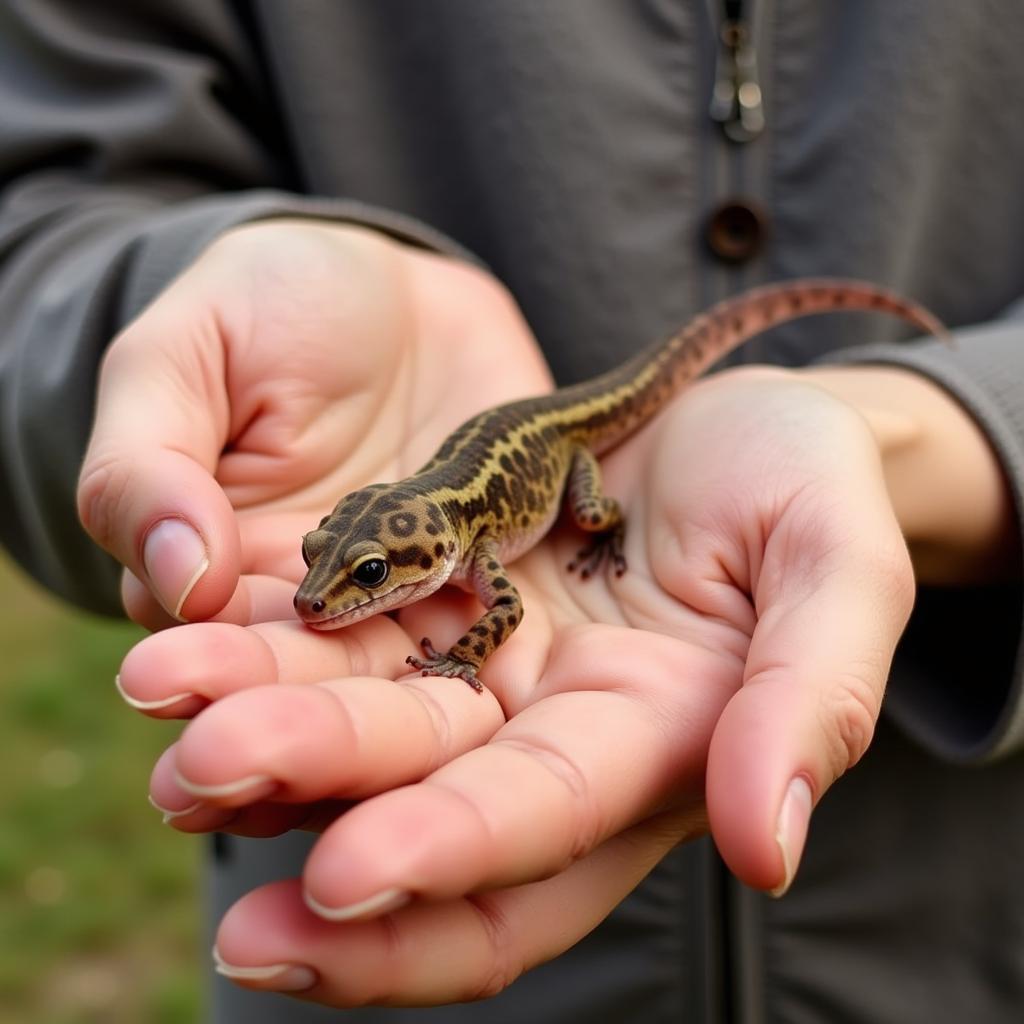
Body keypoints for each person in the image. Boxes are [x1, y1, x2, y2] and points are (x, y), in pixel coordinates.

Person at [2, 2, 1023, 1021]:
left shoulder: (474, 551)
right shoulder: (418, 532)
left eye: (363, 579)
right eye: (339, 565)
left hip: (945, 933)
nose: (322, 597)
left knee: (588, 512)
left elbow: (505, 618)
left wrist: (943, 426)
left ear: (429, 549)